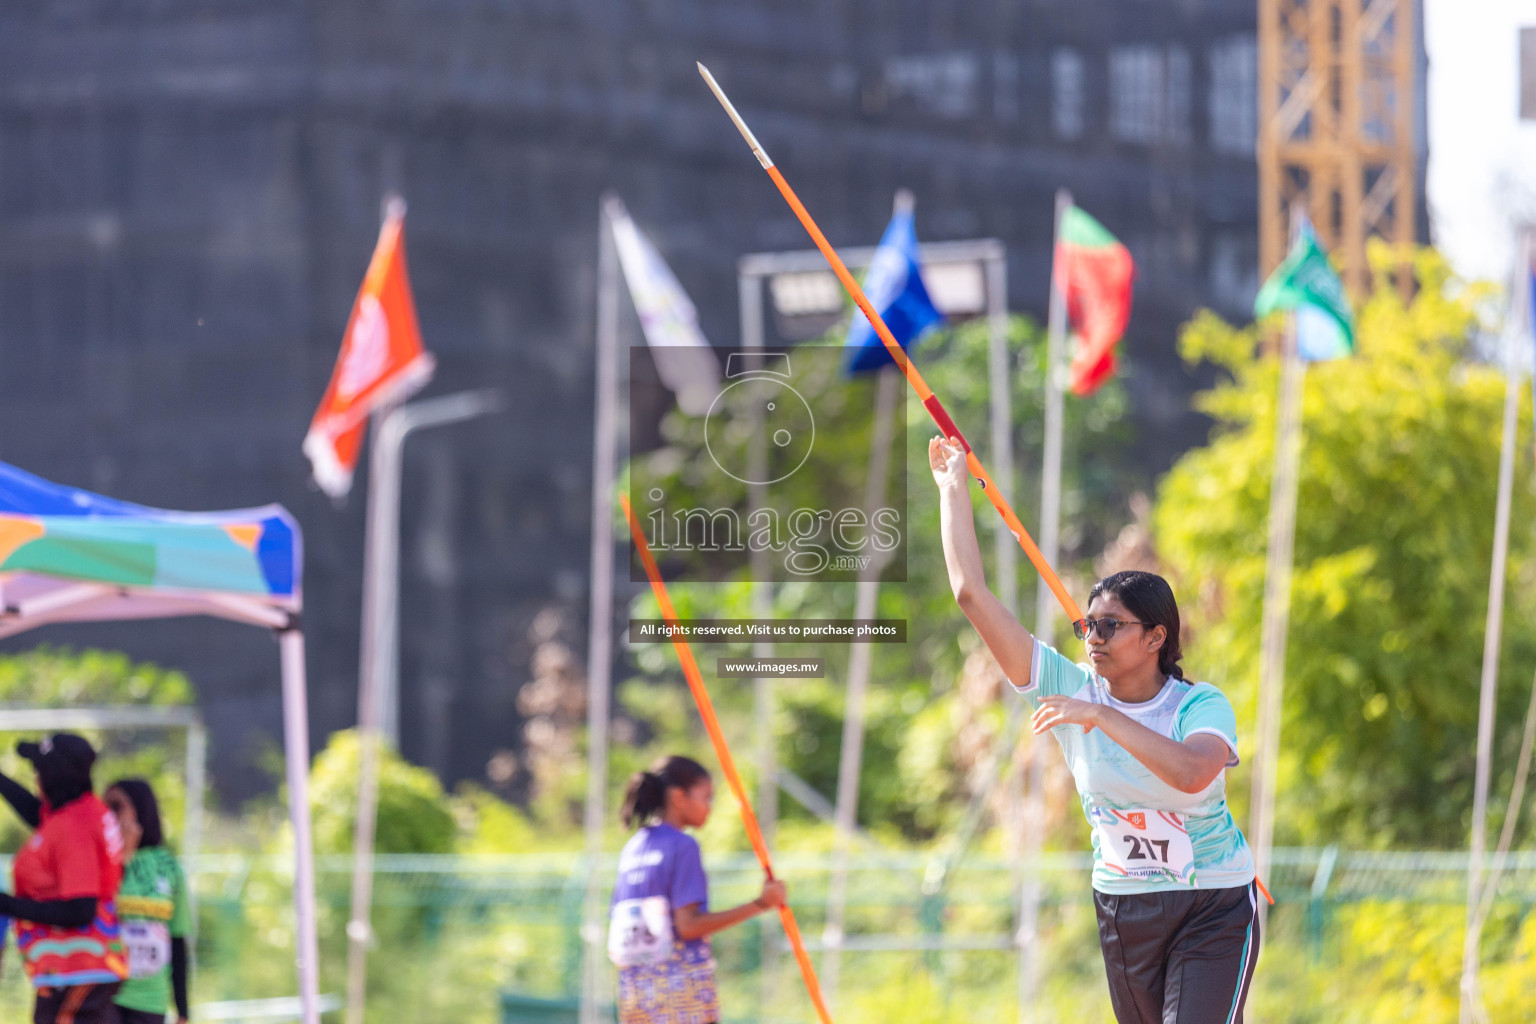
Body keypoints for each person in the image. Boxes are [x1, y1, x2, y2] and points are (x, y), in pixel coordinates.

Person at [930, 436, 1260, 1024]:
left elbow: (1191, 774)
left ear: (1156, 637)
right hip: (1123, 906)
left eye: (1111, 625)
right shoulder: (1070, 684)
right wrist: (953, 489)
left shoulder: (1198, 706)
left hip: (1212, 904)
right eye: (1089, 624)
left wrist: (1102, 715)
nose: (1093, 637)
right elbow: (971, 595)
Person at [608, 755, 786, 1024]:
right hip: (682, 997)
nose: (709, 807)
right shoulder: (683, 846)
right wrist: (761, 903)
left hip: (637, 994)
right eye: (706, 797)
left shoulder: (634, 847)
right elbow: (688, 926)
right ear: (679, 797)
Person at [0, 733, 128, 1024]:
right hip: (76, 971)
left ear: (54, 776)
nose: (36, 778)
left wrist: (8, 904)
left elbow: (79, 909)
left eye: (39, 771)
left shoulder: (76, 828)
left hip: (78, 972)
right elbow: (39, 816)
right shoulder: (81, 811)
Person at [104, 779, 190, 1024]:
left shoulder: (169, 866)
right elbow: (93, 912)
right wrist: (121, 858)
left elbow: (178, 938)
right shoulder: (100, 861)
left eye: (116, 806)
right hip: (103, 996)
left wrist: (183, 1010)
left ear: (141, 808)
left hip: (150, 1000)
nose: (108, 814)